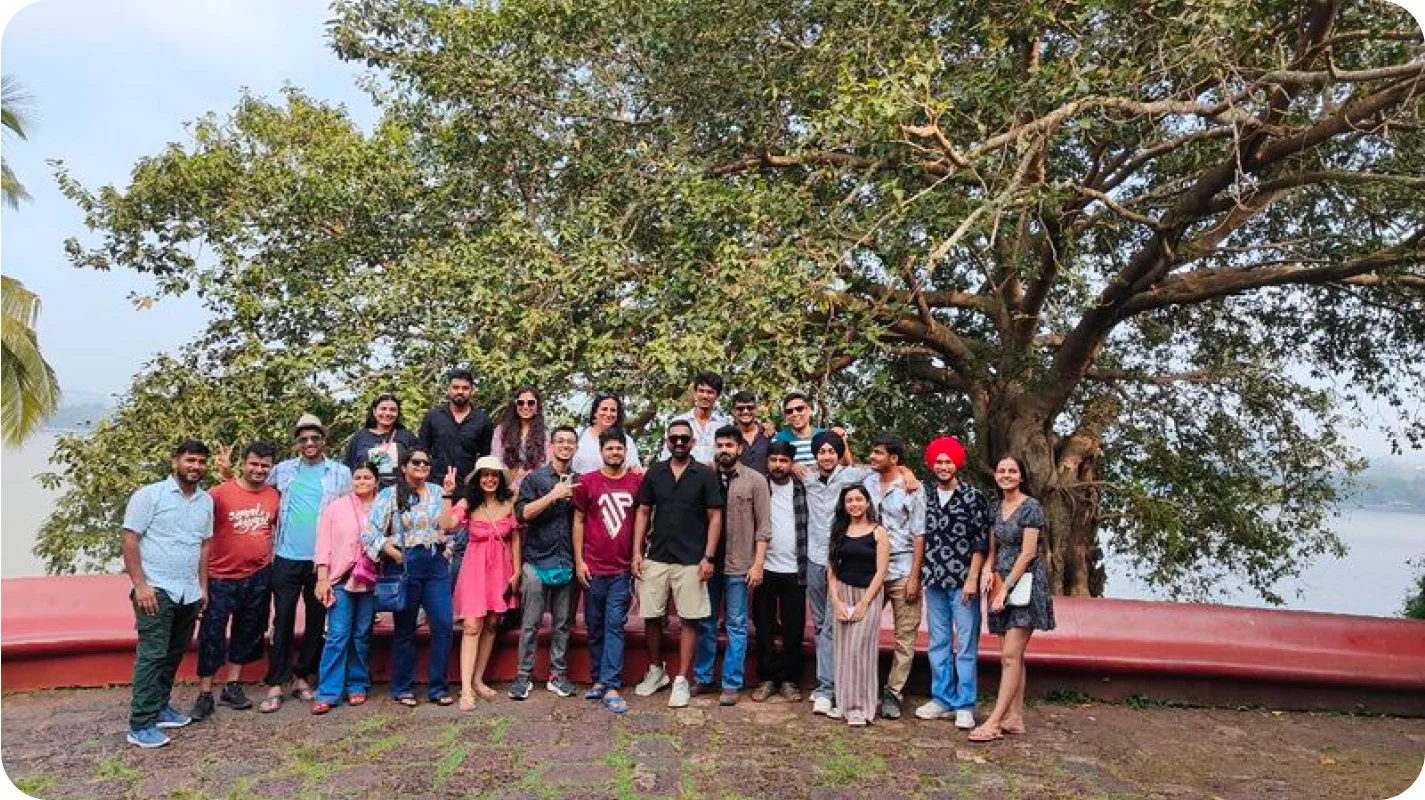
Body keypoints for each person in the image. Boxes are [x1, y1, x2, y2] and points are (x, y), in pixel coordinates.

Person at [797, 431, 918, 717]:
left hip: (853, 565)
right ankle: (829, 687)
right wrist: (791, 464)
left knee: (845, 627)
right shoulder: (807, 476)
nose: (826, 456)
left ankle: (845, 691)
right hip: (817, 558)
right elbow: (783, 465)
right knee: (823, 626)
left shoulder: (854, 475)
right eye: (821, 451)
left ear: (840, 454)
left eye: (831, 451)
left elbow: (888, 468)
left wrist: (908, 472)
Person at [121, 440, 215, 748]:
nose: (195, 467)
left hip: (188, 592)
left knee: (173, 653)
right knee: (152, 656)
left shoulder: (206, 501)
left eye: (201, 461)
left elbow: (204, 545)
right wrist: (140, 585)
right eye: (190, 460)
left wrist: (202, 587)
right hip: (156, 589)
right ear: (175, 461)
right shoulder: (149, 495)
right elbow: (130, 539)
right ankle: (140, 724)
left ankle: (160, 707)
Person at [259, 414, 353, 713]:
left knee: (316, 619)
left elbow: (350, 509)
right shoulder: (282, 470)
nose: (309, 443)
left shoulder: (340, 473)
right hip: (286, 555)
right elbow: (260, 492)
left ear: (324, 440)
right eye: (303, 439)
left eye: (315, 438)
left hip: (321, 560)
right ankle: (277, 681)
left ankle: (302, 676)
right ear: (297, 443)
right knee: (283, 618)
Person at [631, 420, 724, 708]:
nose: (679, 443)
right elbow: (643, 511)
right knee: (651, 615)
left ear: (693, 442)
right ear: (667, 442)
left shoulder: (704, 474)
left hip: (692, 560)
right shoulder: (655, 472)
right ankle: (656, 671)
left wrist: (708, 557)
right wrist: (637, 553)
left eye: (685, 438)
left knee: (690, 619)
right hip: (657, 556)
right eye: (674, 439)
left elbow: (715, 518)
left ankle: (682, 679)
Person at [190, 442, 279, 723]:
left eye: (265, 465)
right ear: (243, 463)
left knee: (248, 631)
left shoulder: (273, 495)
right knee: (212, 634)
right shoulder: (218, 494)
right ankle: (205, 693)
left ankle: (232, 685)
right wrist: (200, 582)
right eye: (254, 464)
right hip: (220, 576)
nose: (259, 470)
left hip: (258, 574)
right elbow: (199, 534)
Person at [364, 447, 460, 707]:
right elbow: (370, 533)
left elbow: (447, 526)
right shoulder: (390, 494)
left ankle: (438, 687)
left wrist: (448, 493)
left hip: (435, 562)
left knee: (443, 623)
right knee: (405, 628)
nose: (421, 466)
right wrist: (395, 553)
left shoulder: (437, 491)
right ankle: (402, 687)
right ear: (404, 467)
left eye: (426, 462)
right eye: (415, 462)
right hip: (405, 563)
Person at [970, 455, 1056, 742]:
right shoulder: (995, 508)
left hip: (1025, 585)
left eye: (1012, 471)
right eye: (1002, 470)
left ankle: (994, 722)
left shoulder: (1031, 507)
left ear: (1021, 476)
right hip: (999, 583)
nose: (1006, 475)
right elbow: (993, 550)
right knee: (1012, 656)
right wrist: (986, 571)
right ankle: (1015, 718)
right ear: (995, 475)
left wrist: (1006, 589)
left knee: (1009, 656)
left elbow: (1028, 553)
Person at [915, 437, 990, 729]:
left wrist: (973, 578)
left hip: (962, 580)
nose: (943, 466)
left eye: (948, 461)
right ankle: (941, 698)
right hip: (934, 578)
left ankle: (965, 703)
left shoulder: (972, 497)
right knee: (938, 642)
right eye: (939, 461)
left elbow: (980, 541)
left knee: (966, 644)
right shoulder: (926, 495)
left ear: (957, 464)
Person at [693, 426, 769, 705]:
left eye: (729, 445)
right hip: (708, 563)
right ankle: (703, 678)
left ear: (739, 449)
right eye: (720, 445)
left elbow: (764, 527)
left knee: (737, 625)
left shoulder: (755, 480)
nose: (724, 450)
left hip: (739, 564)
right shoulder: (703, 476)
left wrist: (758, 564)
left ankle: (731, 683)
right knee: (706, 622)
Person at [572, 428, 643, 714]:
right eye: (610, 448)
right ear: (601, 451)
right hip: (592, 567)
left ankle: (611, 684)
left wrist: (637, 554)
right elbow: (578, 521)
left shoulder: (637, 482)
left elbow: (644, 519)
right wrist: (579, 561)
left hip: (622, 569)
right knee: (594, 625)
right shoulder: (587, 482)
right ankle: (599, 679)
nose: (615, 452)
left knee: (614, 624)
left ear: (626, 451)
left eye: (619, 448)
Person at [510, 426, 580, 700]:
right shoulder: (535, 479)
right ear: (552, 445)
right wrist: (554, 495)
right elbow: (522, 514)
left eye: (570, 442)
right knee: (530, 624)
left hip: (567, 561)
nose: (565, 445)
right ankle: (523, 677)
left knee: (562, 624)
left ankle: (557, 675)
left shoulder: (581, 481)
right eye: (560, 441)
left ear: (575, 447)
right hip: (537, 561)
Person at [863, 433, 927, 720]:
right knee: (863, 628)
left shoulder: (913, 489)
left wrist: (915, 576)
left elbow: (919, 534)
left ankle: (893, 692)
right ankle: (862, 687)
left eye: (878, 453)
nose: (872, 457)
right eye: (872, 452)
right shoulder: (866, 482)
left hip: (902, 568)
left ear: (894, 458)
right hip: (870, 570)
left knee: (905, 636)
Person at [311, 462, 381, 714]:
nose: (361, 482)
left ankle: (357, 683)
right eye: (357, 477)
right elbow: (323, 545)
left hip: (370, 580)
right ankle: (328, 691)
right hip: (340, 579)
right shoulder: (336, 508)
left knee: (361, 634)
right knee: (337, 635)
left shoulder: (383, 506)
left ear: (376, 481)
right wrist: (322, 578)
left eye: (367, 477)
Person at [451, 456, 520, 709]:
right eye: (485, 474)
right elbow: (447, 525)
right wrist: (448, 495)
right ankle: (466, 689)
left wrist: (517, 572)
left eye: (494, 475)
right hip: (474, 568)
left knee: (492, 623)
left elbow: (515, 538)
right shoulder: (468, 503)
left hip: (501, 568)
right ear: (477, 478)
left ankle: (478, 679)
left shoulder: (509, 503)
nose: (489, 479)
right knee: (472, 625)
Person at [750, 440, 808, 703]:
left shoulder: (804, 488)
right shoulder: (759, 486)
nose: (778, 465)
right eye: (773, 460)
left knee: (793, 628)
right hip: (763, 567)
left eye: (784, 460)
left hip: (796, 568)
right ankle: (766, 679)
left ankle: (788, 680)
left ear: (791, 463)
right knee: (763, 625)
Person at [827, 485, 890, 727]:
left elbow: (881, 571)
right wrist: (836, 601)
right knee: (843, 650)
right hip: (843, 591)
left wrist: (864, 603)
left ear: (867, 503)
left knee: (860, 650)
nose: (854, 504)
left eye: (859, 499)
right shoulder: (838, 531)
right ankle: (844, 704)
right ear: (844, 505)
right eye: (849, 501)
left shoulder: (878, 532)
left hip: (868, 594)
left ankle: (861, 707)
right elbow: (832, 569)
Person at [417, 368, 494, 488]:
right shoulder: (433, 417)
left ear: (472, 390)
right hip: (434, 485)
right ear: (449, 389)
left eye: (465, 388)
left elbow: (485, 458)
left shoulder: (483, 420)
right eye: (456, 387)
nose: (460, 392)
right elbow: (421, 452)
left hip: (468, 487)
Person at [344, 393, 420, 487]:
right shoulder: (360, 437)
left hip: (400, 492)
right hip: (367, 491)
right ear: (374, 411)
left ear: (398, 413)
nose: (387, 413)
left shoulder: (407, 436)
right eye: (383, 409)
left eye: (392, 410)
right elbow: (348, 469)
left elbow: (419, 466)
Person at [659, 371, 730, 465]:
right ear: (695, 393)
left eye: (710, 392)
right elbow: (666, 457)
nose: (705, 396)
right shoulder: (678, 422)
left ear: (718, 395)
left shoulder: (723, 424)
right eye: (701, 391)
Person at [489, 385, 551, 491]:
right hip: (505, 487)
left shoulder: (545, 435)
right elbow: (496, 459)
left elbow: (545, 464)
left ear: (537, 406)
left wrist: (525, 479)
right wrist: (511, 482)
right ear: (515, 406)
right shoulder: (501, 431)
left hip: (533, 489)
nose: (525, 406)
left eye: (530, 403)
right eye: (521, 402)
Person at [572, 392, 642, 474]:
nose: (608, 414)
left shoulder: (627, 441)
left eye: (613, 410)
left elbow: (635, 470)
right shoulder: (578, 436)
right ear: (595, 413)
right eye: (604, 409)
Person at [773, 392, 821, 466]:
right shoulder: (778, 439)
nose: (794, 414)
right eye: (789, 411)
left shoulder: (823, 435)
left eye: (799, 409)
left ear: (809, 411)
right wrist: (791, 466)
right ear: (785, 416)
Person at [730, 390, 771, 475]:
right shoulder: (728, 436)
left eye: (750, 408)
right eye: (740, 408)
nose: (745, 411)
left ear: (756, 410)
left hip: (765, 483)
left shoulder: (769, 433)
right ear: (733, 411)